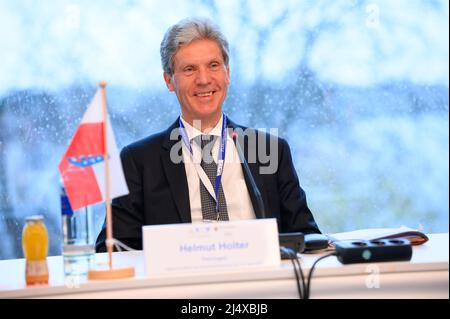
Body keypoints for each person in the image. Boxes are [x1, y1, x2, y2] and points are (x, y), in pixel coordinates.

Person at [96, 17, 320, 252]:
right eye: (189, 69)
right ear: (169, 80)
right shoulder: (138, 161)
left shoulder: (269, 150)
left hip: (260, 284)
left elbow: (307, 237)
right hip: (180, 287)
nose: (204, 80)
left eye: (213, 65)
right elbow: (111, 250)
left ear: (227, 73)